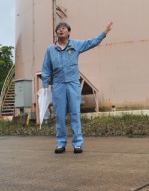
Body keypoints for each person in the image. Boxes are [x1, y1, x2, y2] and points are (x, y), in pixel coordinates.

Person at [42, 21, 113, 154]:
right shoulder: (50, 49)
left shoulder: (76, 45)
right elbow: (46, 68)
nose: (60, 30)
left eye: (63, 28)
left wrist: (104, 33)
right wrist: (45, 86)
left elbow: (91, 42)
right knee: (60, 115)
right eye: (58, 29)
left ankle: (78, 143)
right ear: (56, 33)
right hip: (58, 85)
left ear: (68, 32)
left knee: (75, 113)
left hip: (73, 83)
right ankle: (61, 143)